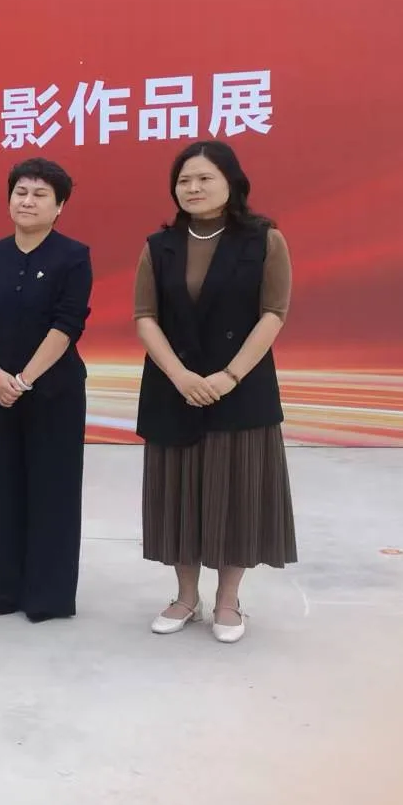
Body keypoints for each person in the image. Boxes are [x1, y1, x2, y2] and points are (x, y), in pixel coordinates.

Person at [135, 140, 297, 644]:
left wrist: (229, 376)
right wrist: (180, 376)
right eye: (184, 180)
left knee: (236, 496)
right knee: (178, 496)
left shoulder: (264, 240)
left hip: (241, 388)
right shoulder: (158, 246)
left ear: (231, 183)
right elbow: (145, 317)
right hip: (174, 387)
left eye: (204, 178)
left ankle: (228, 599)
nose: (194, 188)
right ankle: (186, 597)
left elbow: (274, 314)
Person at [0, 158, 93, 622]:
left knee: (52, 490)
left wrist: (24, 380)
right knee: (2, 487)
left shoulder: (73, 256)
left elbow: (67, 325)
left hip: (55, 392)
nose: (28, 201)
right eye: (21, 192)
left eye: (40, 194)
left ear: (59, 206)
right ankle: (5, 587)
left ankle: (47, 595)